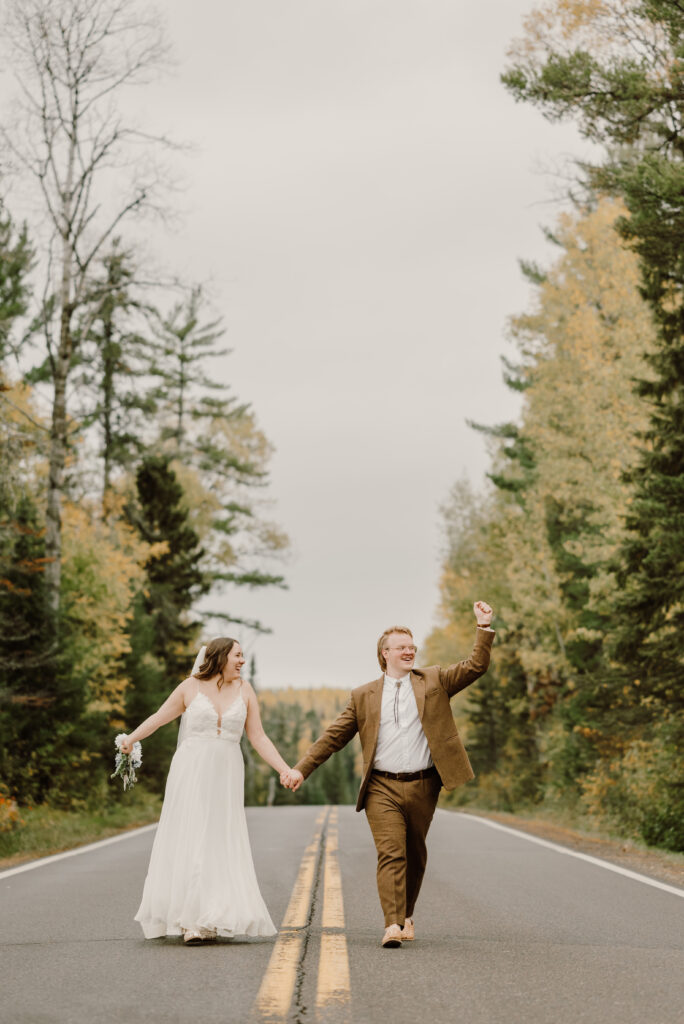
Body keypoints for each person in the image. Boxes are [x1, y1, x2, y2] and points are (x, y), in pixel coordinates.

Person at [282, 601, 495, 948]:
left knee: (415, 853)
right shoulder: (363, 695)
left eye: (412, 647)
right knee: (391, 852)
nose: (409, 652)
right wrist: (300, 769)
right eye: (402, 647)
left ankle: (406, 913)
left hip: (424, 784)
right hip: (382, 786)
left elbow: (475, 666)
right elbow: (333, 737)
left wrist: (483, 628)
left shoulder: (435, 680)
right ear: (385, 654)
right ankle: (392, 925)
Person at [119, 637, 293, 944]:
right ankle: (192, 920)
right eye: (238, 656)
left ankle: (214, 914)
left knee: (219, 837)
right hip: (192, 770)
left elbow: (258, 737)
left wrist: (284, 769)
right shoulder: (190, 687)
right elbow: (160, 718)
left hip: (226, 771)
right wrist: (130, 739)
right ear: (221, 656)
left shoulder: (246, 691)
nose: (242, 661)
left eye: (243, 657)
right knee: (193, 834)